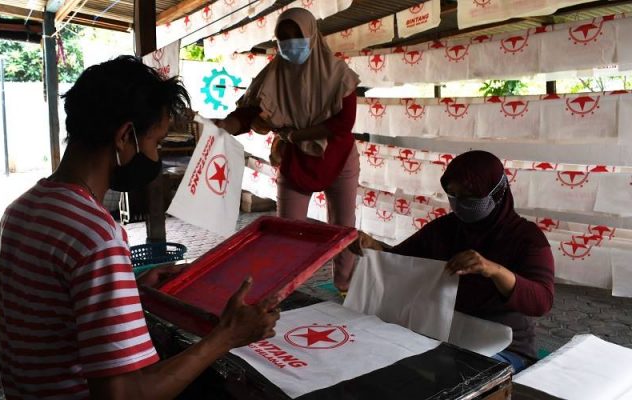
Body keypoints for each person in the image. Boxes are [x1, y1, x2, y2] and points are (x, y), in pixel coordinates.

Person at [0, 56, 280, 399]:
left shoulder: (22, 209)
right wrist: (226, 336)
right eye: (155, 143)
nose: (155, 156)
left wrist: (133, 289)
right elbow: (124, 395)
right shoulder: (96, 234)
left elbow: (55, 310)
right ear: (124, 136)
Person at [352, 151, 554, 372]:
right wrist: (373, 248)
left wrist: (493, 270)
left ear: (496, 193)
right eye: (453, 195)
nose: (460, 205)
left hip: (504, 344)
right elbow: (399, 262)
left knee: (458, 381)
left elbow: (542, 301)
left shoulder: (526, 238)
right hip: (445, 332)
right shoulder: (446, 229)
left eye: (470, 197)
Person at [216, 7, 361, 292]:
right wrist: (225, 125)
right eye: (283, 38)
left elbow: (343, 123)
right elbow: (249, 112)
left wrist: (299, 133)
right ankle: (283, 290)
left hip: (338, 155)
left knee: (343, 228)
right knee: (287, 229)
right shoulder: (273, 75)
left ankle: (346, 287)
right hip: (295, 156)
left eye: (297, 37)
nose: (290, 44)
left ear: (312, 36)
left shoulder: (338, 75)